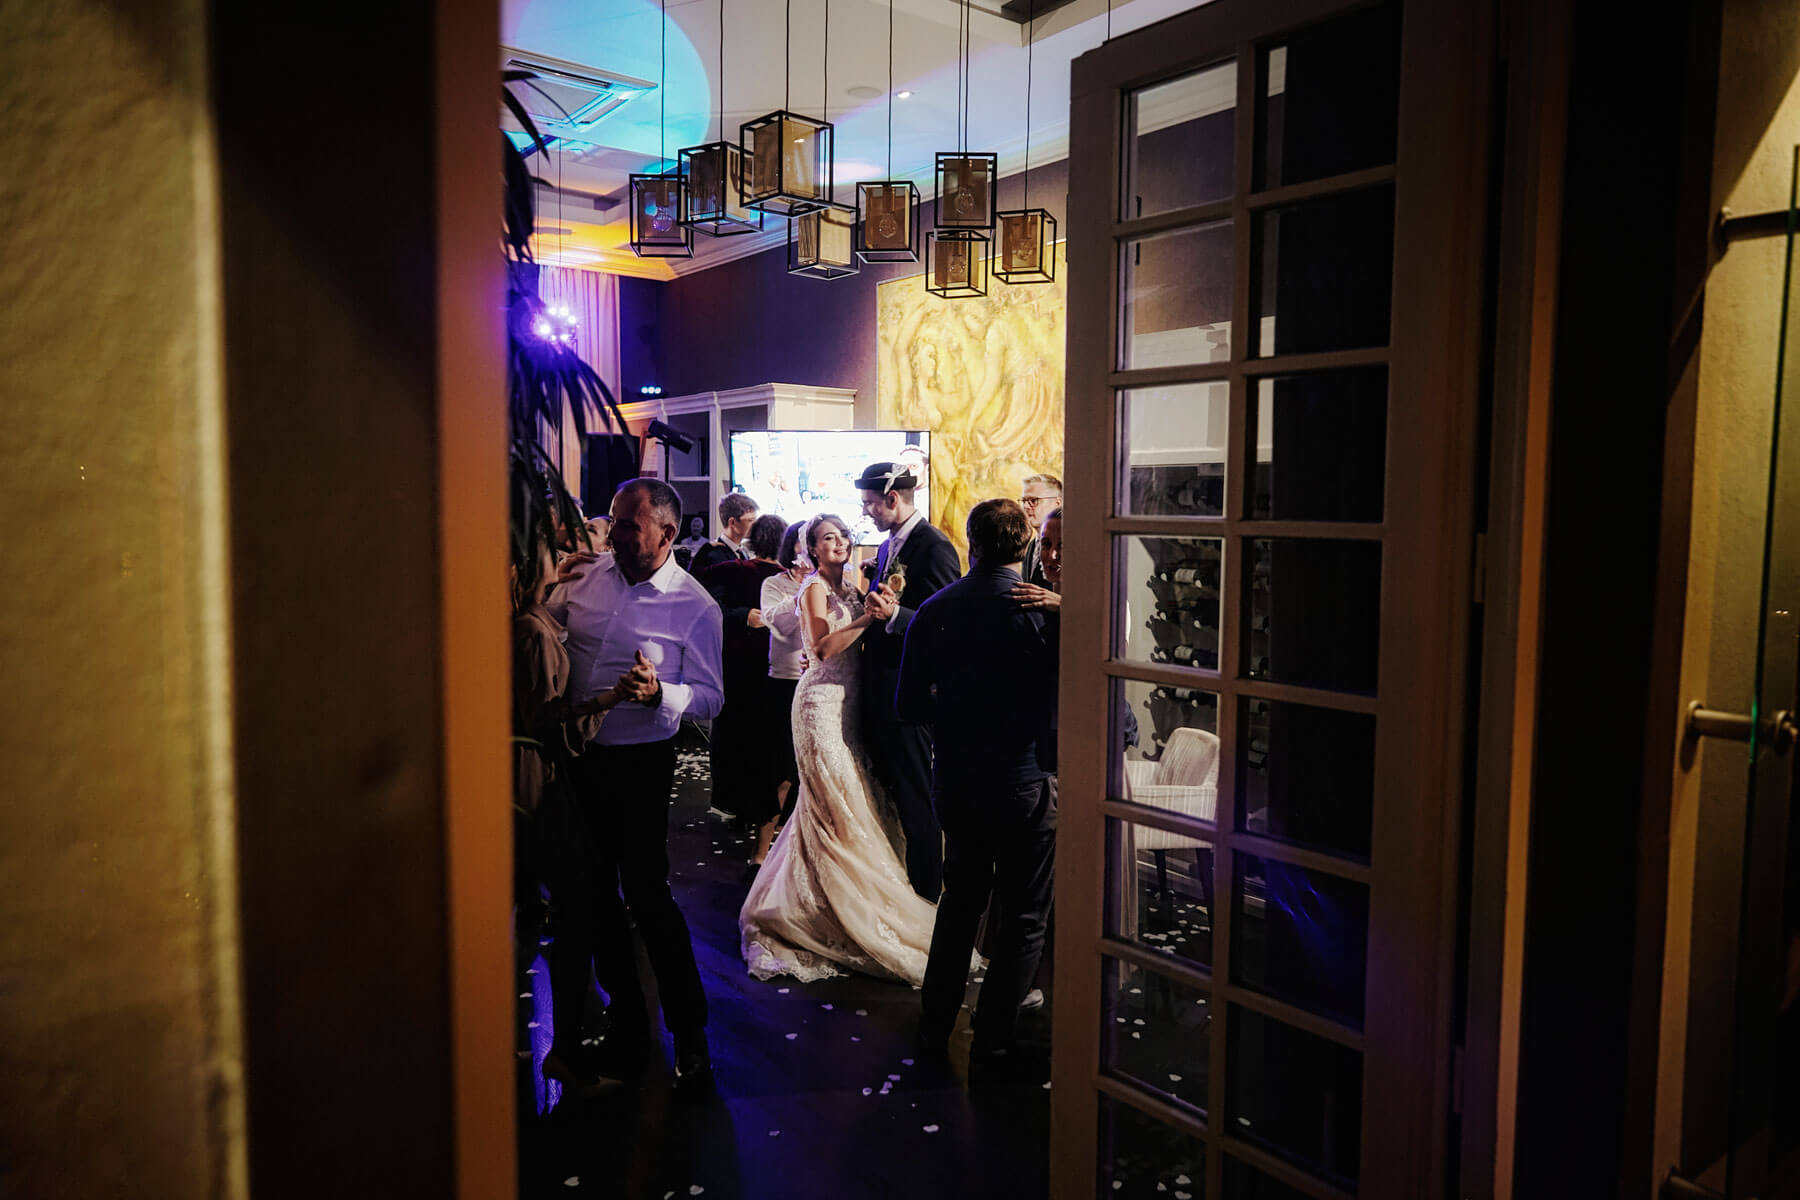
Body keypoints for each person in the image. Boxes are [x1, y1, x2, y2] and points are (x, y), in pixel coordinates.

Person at [548, 478, 726, 1090]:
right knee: (594, 898)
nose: (615, 535)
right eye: (614, 521)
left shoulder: (694, 606)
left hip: (640, 764)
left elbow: (711, 699)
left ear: (666, 533)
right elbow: (543, 628)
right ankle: (627, 1021)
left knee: (648, 898)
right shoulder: (584, 576)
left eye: (629, 525)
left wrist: (661, 693)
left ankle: (690, 1037)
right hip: (576, 760)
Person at [738, 515, 946, 984]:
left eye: (843, 535)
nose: (839, 542)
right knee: (833, 803)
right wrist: (870, 618)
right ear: (811, 549)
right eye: (827, 537)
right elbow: (821, 648)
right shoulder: (814, 588)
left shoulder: (852, 587)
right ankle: (822, 910)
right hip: (819, 706)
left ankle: (835, 899)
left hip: (851, 705)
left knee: (851, 801)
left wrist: (877, 603)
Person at [898, 499, 1059, 1072]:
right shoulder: (1044, 613)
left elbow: (909, 706)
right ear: (1026, 546)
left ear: (972, 542)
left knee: (960, 905)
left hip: (958, 781)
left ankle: (934, 1026)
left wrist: (953, 706)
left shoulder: (936, 608)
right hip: (1025, 780)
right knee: (1024, 916)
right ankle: (992, 1037)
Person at [511, 542, 636, 1098]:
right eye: (553, 550)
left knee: (544, 905)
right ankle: (562, 1049)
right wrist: (610, 698)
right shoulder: (532, 631)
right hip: (537, 777)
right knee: (574, 903)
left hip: (533, 771)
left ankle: (541, 1042)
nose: (570, 554)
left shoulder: (535, 616)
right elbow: (548, 720)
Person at [856, 461, 962, 900]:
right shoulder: (887, 547)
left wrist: (895, 615)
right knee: (895, 796)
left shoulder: (934, 547)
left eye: (870, 504)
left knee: (918, 802)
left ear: (893, 498)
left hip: (910, 698)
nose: (867, 512)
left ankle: (927, 897)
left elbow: (949, 628)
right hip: (883, 694)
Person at [696, 513, 785, 848]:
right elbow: (712, 609)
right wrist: (743, 616)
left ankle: (739, 802)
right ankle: (753, 806)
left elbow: (708, 607)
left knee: (742, 732)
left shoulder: (733, 570)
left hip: (747, 665)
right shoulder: (734, 570)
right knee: (753, 734)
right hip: (755, 665)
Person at [758, 521, 810, 856]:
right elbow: (777, 624)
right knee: (781, 771)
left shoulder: (832, 584)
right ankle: (760, 854)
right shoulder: (774, 584)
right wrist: (803, 592)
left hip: (819, 681)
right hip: (784, 682)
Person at [692, 492, 760, 573]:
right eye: (750, 520)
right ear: (732, 523)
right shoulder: (714, 557)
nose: (756, 525)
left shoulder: (744, 551)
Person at [1017, 472, 1062, 587]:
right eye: (1024, 501)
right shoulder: (1029, 546)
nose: (1026, 507)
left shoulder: (1072, 546)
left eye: (1033, 501)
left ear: (1058, 502)